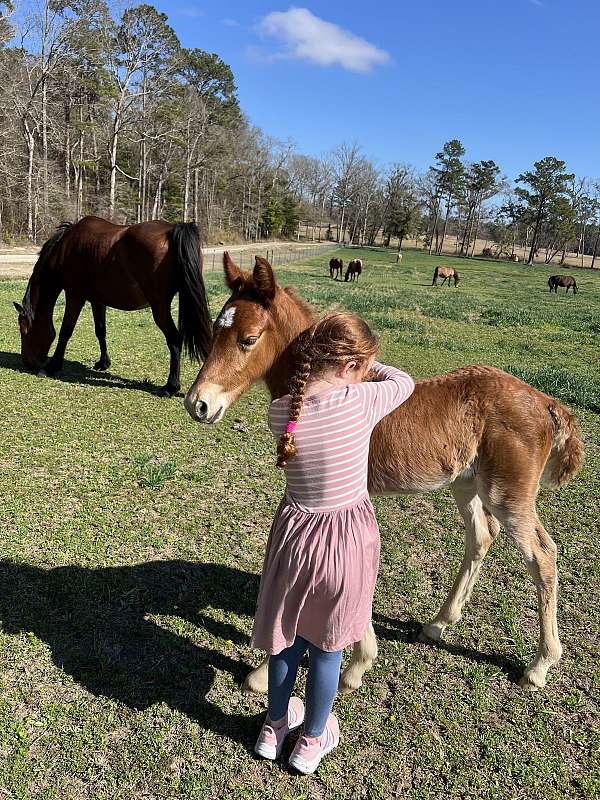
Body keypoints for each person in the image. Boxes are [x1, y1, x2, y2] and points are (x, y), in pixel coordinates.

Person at [251, 311, 415, 774]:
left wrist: (357, 363)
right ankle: (314, 738)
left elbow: (311, 395)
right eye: (362, 366)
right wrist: (373, 368)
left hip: (294, 538)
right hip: (347, 543)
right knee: (329, 648)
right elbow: (404, 381)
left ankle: (274, 727)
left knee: (284, 645)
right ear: (349, 367)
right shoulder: (361, 400)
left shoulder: (281, 410)